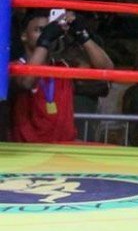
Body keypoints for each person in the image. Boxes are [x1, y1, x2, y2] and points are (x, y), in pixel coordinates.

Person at [9, 9, 114, 143]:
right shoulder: (14, 67)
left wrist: (82, 34)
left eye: (50, 30)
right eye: (40, 30)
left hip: (63, 151)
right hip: (29, 153)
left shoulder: (62, 67)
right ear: (24, 35)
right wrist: (45, 40)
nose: (46, 34)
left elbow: (107, 70)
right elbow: (27, 82)